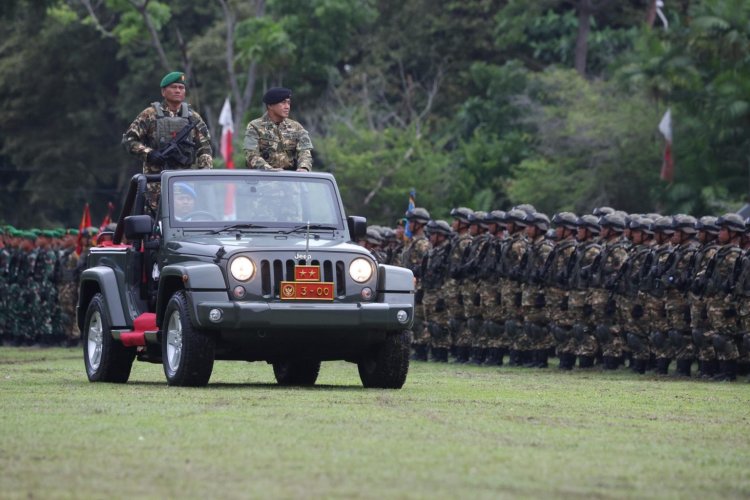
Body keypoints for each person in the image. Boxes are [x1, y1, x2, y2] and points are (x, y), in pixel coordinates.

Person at [122, 71, 213, 208]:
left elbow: (204, 147)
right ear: (163, 92)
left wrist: (204, 174)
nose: (178, 91)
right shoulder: (150, 115)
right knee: (153, 222)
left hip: (185, 185)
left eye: (181, 88)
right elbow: (129, 140)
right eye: (173, 87)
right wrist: (149, 153)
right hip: (156, 183)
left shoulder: (193, 117)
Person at [243, 87, 313, 171]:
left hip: (290, 179)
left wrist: (303, 168)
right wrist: (269, 170)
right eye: (283, 103)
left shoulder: (296, 127)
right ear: (270, 105)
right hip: (264, 179)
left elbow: (305, 152)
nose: (287, 107)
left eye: (288, 103)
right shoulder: (255, 127)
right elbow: (251, 155)